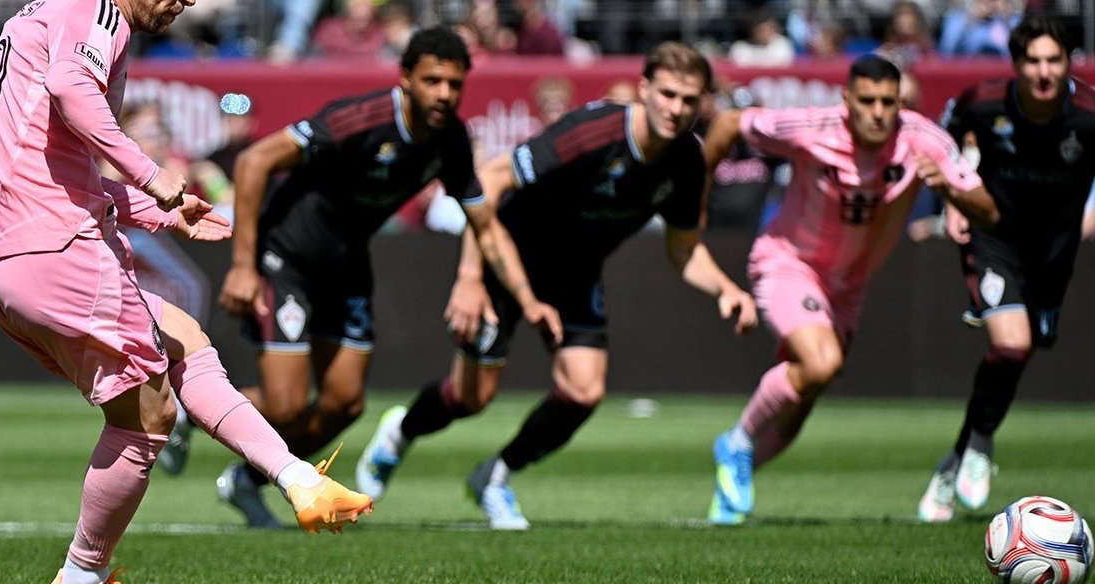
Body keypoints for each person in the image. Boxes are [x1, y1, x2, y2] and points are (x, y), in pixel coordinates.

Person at [0, 0, 372, 584]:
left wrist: (156, 211)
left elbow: (50, 161)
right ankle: (82, 576)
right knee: (149, 415)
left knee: (183, 340)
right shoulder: (96, 14)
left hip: (1, 267)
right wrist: (152, 173)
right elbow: (71, 92)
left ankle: (297, 477)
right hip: (52, 249)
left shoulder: (41, 19)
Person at [355, 41, 760, 530]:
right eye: (668, 94)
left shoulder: (687, 161)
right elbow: (492, 178)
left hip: (576, 271)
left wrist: (726, 289)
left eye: (688, 100)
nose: (676, 109)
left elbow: (683, 246)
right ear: (645, 89)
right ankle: (399, 434)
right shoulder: (593, 132)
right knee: (471, 398)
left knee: (585, 391)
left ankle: (495, 477)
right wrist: (469, 277)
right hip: (507, 260)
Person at [197, 26, 562, 529]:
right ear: (406, 77)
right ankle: (184, 401)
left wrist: (526, 297)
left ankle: (246, 481)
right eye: (433, 81)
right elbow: (255, 161)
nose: (444, 94)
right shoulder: (359, 118)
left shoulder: (451, 139)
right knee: (282, 406)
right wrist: (242, 265)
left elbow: (485, 225)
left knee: (344, 404)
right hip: (289, 258)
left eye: (455, 84)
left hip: (347, 267)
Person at [703, 54, 999, 526]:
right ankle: (735, 443)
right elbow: (729, 123)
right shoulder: (811, 126)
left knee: (802, 399)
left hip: (850, 286)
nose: (879, 112)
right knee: (820, 363)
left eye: (888, 102)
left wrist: (950, 188)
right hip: (788, 262)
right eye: (867, 101)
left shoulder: (922, 139)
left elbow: (988, 208)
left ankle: (736, 476)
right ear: (847, 101)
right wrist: (694, 203)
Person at [917, 15, 1095, 523]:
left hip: (1054, 254)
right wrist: (954, 196)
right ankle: (977, 447)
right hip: (993, 237)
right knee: (1010, 344)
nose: (1043, 71)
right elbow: (943, 141)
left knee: (1017, 357)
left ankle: (958, 457)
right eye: (1033, 60)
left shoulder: (1088, 114)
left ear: (1068, 63)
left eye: (1053, 60)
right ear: (1017, 65)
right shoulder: (984, 101)